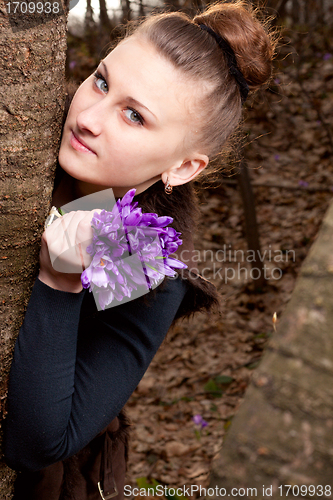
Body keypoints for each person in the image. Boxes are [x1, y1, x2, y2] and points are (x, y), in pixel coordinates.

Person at [4, 1, 276, 499]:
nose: (88, 117)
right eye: (102, 82)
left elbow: (37, 442)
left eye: (134, 116)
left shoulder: (146, 264)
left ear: (184, 168)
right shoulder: (22, 127)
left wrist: (60, 282)